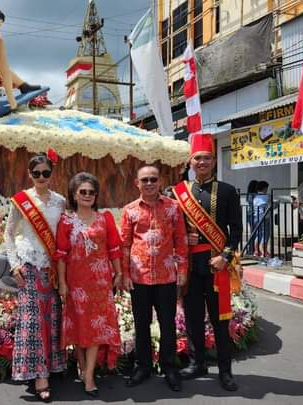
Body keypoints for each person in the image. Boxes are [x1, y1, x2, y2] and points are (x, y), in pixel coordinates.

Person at [174, 133, 242, 391]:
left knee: (220, 320)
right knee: (192, 318)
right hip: (191, 266)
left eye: (206, 158)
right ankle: (197, 363)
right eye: (197, 158)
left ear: (214, 161)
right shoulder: (180, 192)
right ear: (190, 162)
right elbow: (173, 229)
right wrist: (183, 237)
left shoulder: (227, 191)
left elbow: (236, 230)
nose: (202, 163)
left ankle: (225, 371)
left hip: (216, 266)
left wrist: (225, 257)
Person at [120, 165, 188, 392]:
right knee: (141, 324)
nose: (149, 183)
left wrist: (182, 271)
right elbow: (125, 245)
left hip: (166, 277)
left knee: (167, 324)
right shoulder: (129, 210)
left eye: (153, 179)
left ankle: (169, 367)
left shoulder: (173, 208)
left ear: (160, 181)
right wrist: (125, 274)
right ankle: (143, 367)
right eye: (145, 180)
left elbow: (181, 240)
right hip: (139, 278)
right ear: (136, 183)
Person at [4, 153, 65, 402]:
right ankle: (40, 376)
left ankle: (52, 367)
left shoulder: (60, 202)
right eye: (36, 173)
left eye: (45, 173)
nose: (41, 177)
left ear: (52, 174)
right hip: (28, 266)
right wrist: (14, 264)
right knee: (33, 321)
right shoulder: (22, 200)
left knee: (51, 318)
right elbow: (8, 234)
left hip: (51, 268)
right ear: (30, 175)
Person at [56, 172, 122, 397]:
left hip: (100, 282)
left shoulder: (105, 219)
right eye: (82, 192)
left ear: (96, 195)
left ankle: (90, 375)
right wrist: (63, 283)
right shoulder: (65, 221)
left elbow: (114, 248)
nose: (87, 195)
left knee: (94, 329)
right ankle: (82, 366)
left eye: (91, 192)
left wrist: (119, 273)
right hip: (76, 283)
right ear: (74, 195)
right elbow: (61, 255)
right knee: (78, 326)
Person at [253, 181, 271, 258]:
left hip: (256, 217)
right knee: (265, 235)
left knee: (258, 235)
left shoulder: (256, 197)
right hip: (265, 217)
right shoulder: (267, 196)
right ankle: (265, 252)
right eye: (266, 188)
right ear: (264, 188)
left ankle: (256, 251)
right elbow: (271, 206)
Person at [245, 180, 259, 255]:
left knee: (254, 232)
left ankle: (252, 248)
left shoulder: (250, 194)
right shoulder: (252, 195)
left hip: (251, 214)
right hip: (252, 214)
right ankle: (251, 249)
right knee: (254, 232)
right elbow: (253, 203)